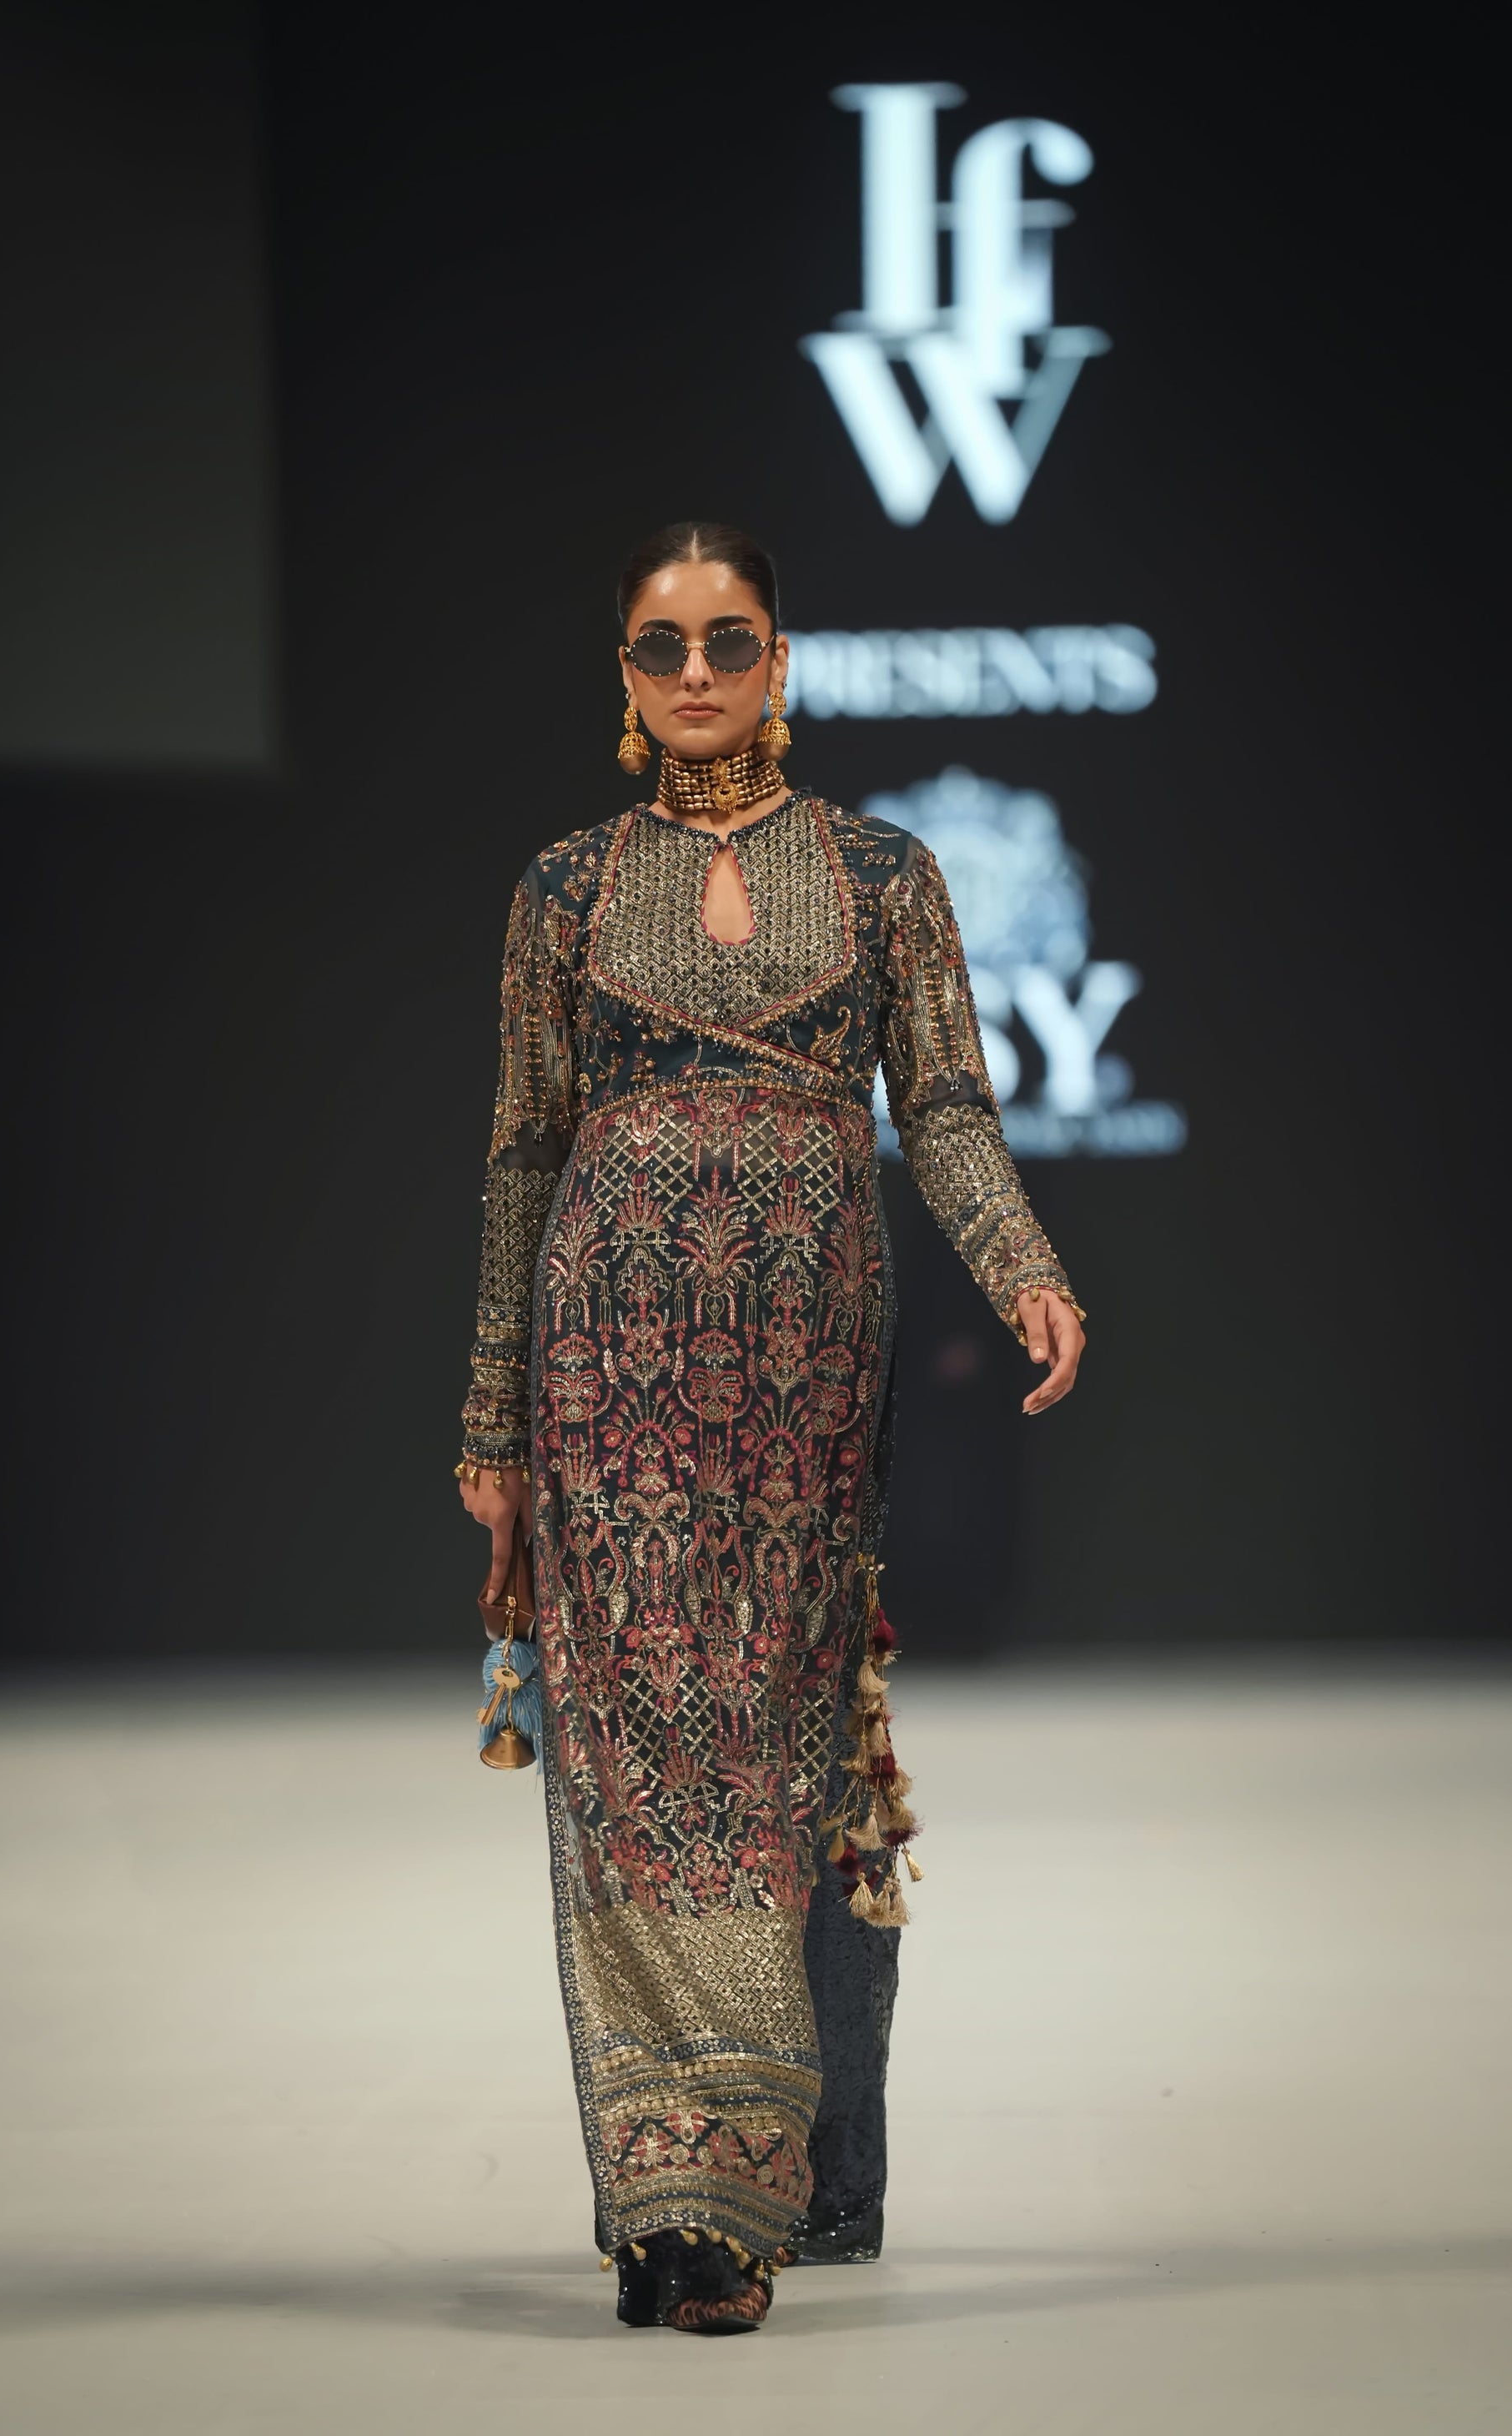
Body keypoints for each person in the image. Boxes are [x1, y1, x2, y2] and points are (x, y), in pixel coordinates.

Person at [457, 521, 1085, 2333]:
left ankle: (781, 2172)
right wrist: (491, 1417)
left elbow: (944, 1108)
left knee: (779, 1746)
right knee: (635, 1762)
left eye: (730, 639)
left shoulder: (884, 876)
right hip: (604, 1371)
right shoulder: (564, 889)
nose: (698, 673)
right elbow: (522, 1153)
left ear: (782, 660)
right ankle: (680, 2201)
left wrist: (1023, 1264)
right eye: (663, 645)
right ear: (624, 673)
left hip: (807, 1377)